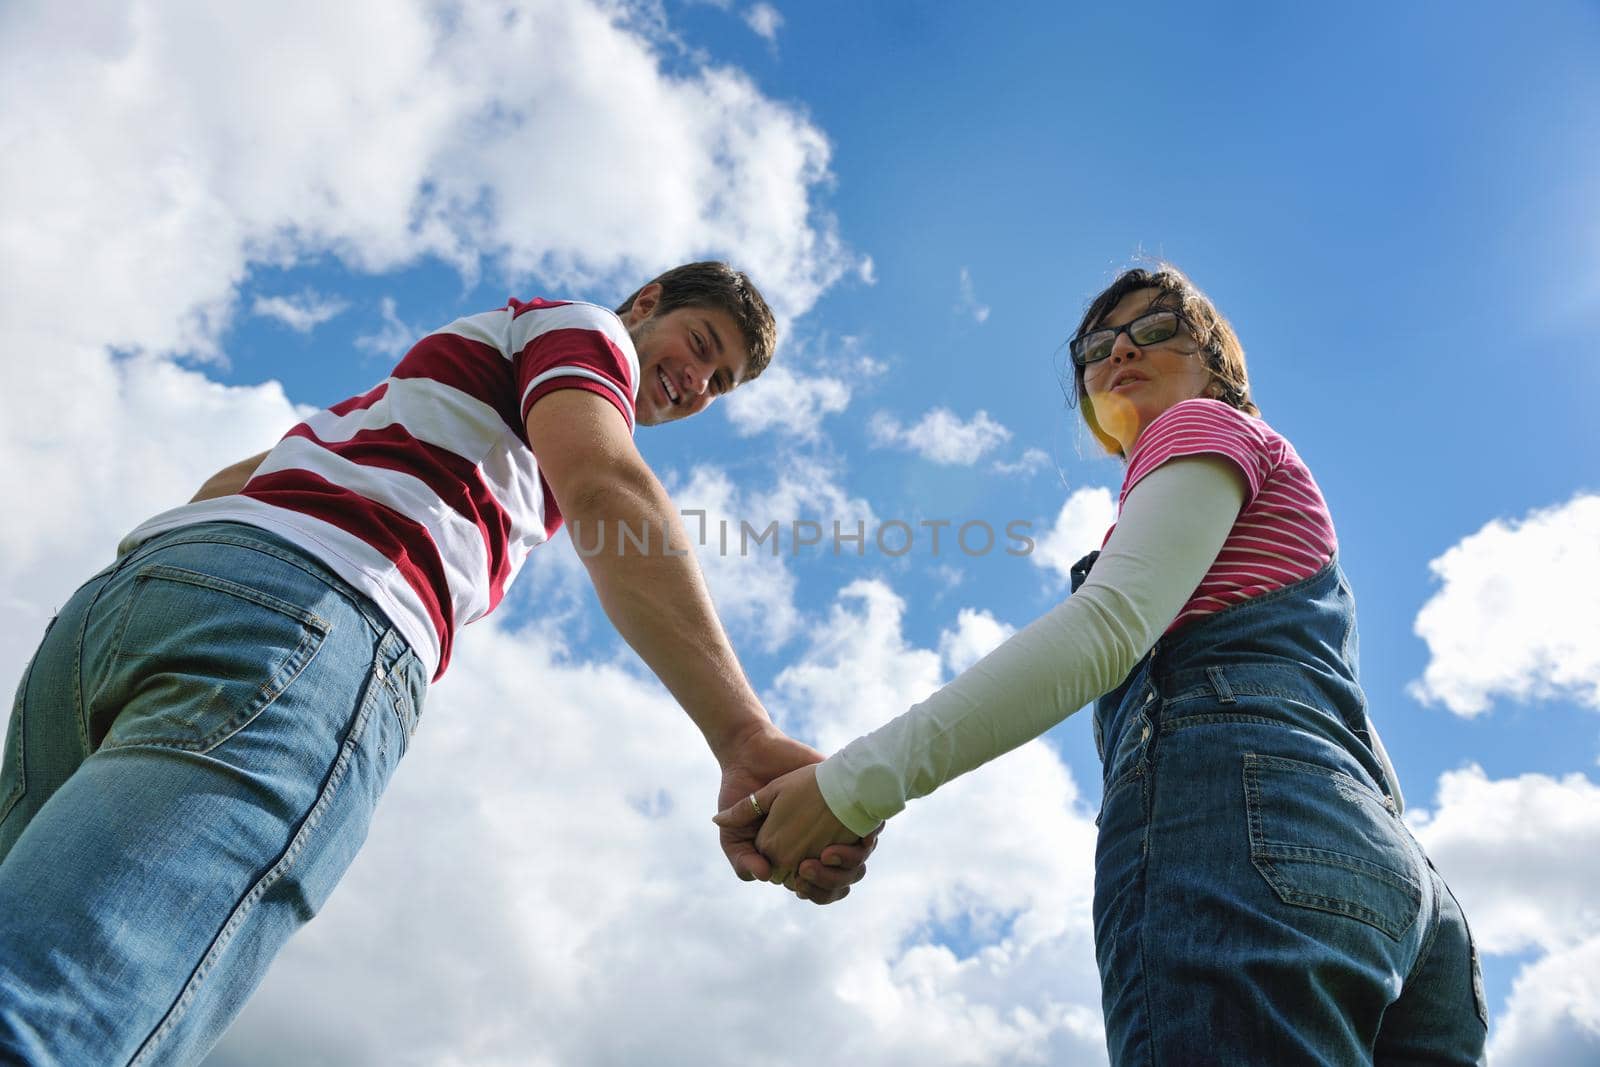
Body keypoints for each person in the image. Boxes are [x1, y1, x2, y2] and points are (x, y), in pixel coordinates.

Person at [0, 261, 874, 1066]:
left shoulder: (414, 397)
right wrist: (743, 735)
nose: (699, 382)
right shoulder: (585, 334)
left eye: (720, 384)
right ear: (645, 303)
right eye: (701, 345)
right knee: (62, 1015)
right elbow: (607, 489)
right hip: (309, 617)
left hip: (124, 611)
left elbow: (238, 480)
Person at [723, 265, 1488, 1065]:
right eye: (1097, 344)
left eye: (1157, 328)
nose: (1121, 348)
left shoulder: (1203, 423)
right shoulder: (1275, 518)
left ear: (1217, 366)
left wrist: (851, 786)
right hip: (1404, 895)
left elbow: (1107, 628)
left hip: (1251, 839)